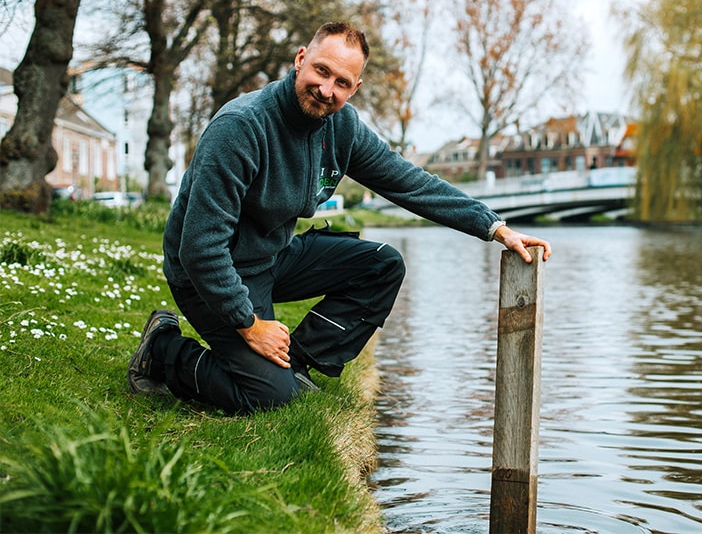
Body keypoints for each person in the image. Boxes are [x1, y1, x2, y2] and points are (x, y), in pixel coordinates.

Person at [127, 22, 551, 414]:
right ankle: (163, 348)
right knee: (267, 399)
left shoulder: (341, 126)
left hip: (271, 256)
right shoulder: (241, 127)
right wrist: (249, 324)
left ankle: (298, 366)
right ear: (299, 60)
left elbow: (411, 183)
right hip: (209, 273)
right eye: (321, 71)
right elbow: (200, 247)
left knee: (383, 264)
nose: (326, 89)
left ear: (355, 88)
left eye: (341, 82)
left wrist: (495, 227)